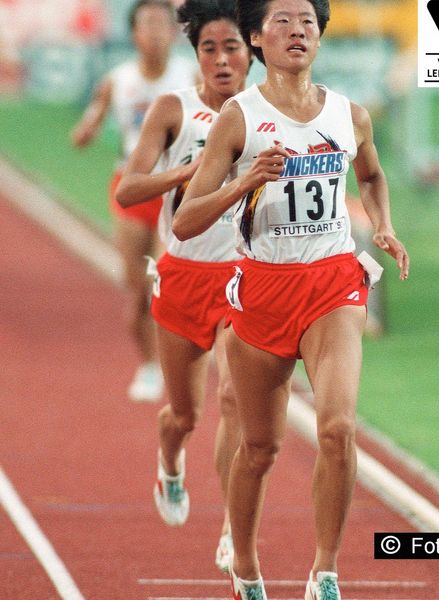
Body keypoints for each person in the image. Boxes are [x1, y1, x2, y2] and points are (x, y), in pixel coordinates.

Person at [172, 0, 410, 598]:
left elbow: (374, 175)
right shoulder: (238, 119)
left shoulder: (349, 115)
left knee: (338, 429)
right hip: (262, 291)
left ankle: (324, 571)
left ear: (320, 37)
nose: (297, 30)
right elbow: (185, 222)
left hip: (332, 284)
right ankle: (246, 566)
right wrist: (247, 180)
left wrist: (382, 225)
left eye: (308, 21)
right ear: (256, 37)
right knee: (259, 448)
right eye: (282, 20)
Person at [114, 0, 252, 574]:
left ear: (253, 52)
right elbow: (128, 191)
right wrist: (187, 174)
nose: (221, 61)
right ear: (195, 55)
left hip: (243, 280)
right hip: (184, 274)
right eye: (208, 50)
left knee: (234, 400)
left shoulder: (267, 116)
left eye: (232, 49)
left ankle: (232, 530)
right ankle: (170, 462)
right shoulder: (176, 108)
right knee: (185, 415)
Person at [71, 0, 197, 402]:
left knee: (164, 280)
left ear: (174, 32)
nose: (157, 32)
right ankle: (147, 365)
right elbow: (87, 125)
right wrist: (88, 127)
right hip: (131, 186)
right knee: (137, 292)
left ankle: (177, 361)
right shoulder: (117, 80)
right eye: (148, 24)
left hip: (175, 188)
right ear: (134, 34)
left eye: (164, 24)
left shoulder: (189, 75)